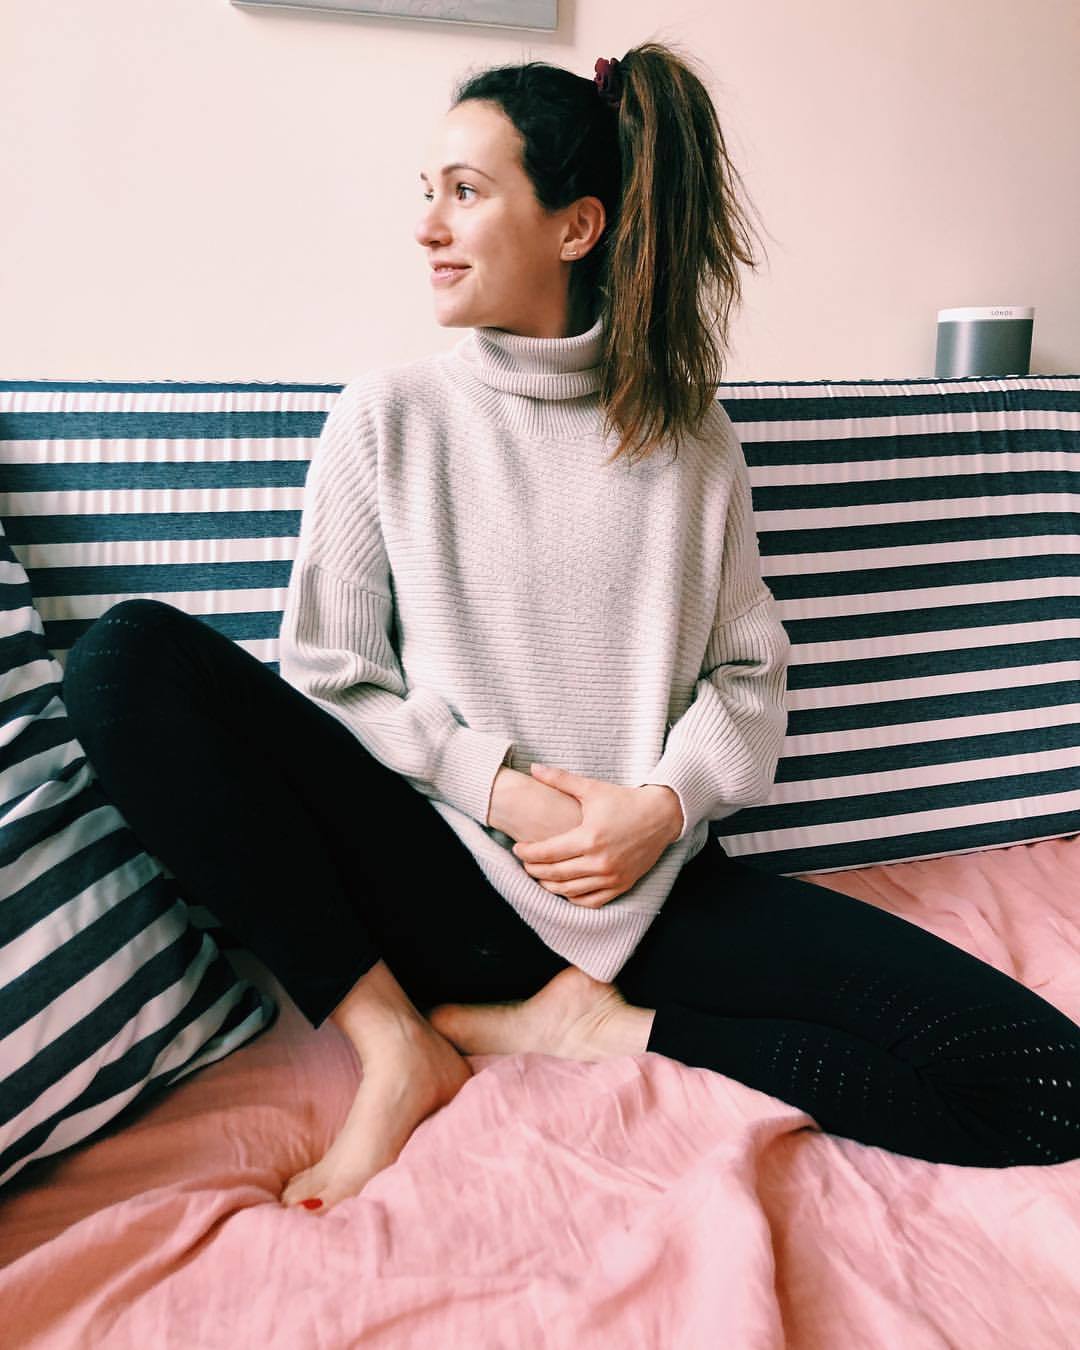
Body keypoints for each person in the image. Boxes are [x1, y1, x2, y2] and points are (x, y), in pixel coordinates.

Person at [61, 43, 1080, 1218]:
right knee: (125, 659)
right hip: (444, 889)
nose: (426, 226)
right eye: (426, 191)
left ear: (576, 226)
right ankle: (395, 1044)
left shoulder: (693, 441)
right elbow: (332, 676)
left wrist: (661, 810)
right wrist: (503, 791)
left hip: (656, 899)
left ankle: (595, 1029)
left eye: (465, 190)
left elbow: (748, 678)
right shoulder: (389, 417)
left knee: (1047, 1083)